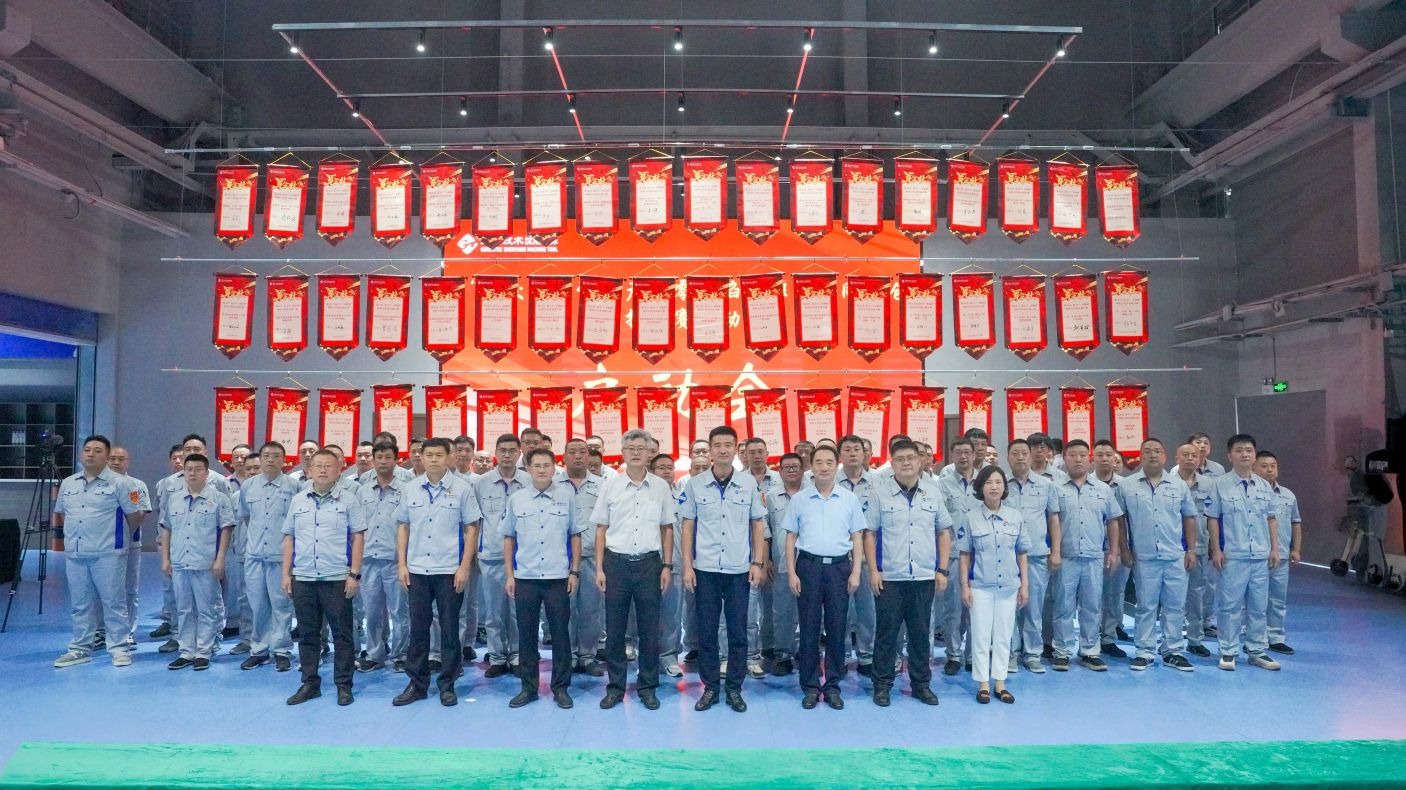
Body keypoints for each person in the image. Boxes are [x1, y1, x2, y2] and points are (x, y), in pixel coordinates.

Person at [679, 426, 767, 713]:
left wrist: (757, 562)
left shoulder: (748, 483)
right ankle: (710, 688)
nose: (723, 450)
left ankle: (734, 689)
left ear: (735, 448)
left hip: (739, 569)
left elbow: (757, 524)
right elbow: (687, 526)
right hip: (705, 569)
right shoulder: (695, 484)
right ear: (711, 449)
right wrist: (688, 566)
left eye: (728, 444)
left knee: (738, 632)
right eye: (717, 445)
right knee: (706, 632)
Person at [393, 438, 483, 707]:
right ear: (421, 457)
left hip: (449, 571)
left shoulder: (462, 489)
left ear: (449, 457)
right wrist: (402, 565)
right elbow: (403, 527)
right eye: (428, 455)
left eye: (438, 455)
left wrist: (464, 567)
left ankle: (447, 684)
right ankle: (417, 684)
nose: (433, 459)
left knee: (450, 630)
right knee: (418, 629)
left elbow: (471, 528)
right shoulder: (410, 489)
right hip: (417, 570)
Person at [592, 429, 676, 711]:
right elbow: (601, 529)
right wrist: (599, 568)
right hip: (615, 564)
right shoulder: (610, 485)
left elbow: (667, 528)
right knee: (615, 630)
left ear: (649, 452)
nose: (637, 453)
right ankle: (615, 687)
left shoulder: (660, 487)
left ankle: (648, 687)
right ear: (623, 453)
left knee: (649, 630)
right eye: (631, 448)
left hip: (650, 565)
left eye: (642, 448)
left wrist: (667, 565)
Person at [865, 440, 951, 707]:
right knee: (886, 635)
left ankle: (921, 685)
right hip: (889, 577)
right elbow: (869, 534)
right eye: (900, 459)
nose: (906, 463)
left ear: (920, 461)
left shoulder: (933, 493)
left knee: (920, 634)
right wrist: (874, 570)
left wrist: (942, 569)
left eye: (911, 458)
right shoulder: (880, 494)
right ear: (892, 464)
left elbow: (943, 531)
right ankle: (882, 685)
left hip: (923, 577)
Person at [51, 436, 148, 669]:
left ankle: (119, 648)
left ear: (106, 456)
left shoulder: (121, 484)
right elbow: (62, 513)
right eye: (87, 450)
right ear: (81, 454)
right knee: (80, 604)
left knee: (114, 602)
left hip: (109, 553)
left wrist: (116, 538)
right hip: (76, 554)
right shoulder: (69, 483)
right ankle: (80, 648)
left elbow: (135, 517)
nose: (91, 454)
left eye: (97, 450)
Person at [782, 444, 866, 710]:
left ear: (836, 464)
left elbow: (857, 537)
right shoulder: (800, 499)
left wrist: (856, 571)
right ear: (811, 466)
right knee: (808, 629)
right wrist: (792, 572)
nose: (824, 467)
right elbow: (791, 537)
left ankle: (832, 686)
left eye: (829, 462)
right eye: (819, 462)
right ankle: (809, 686)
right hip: (808, 567)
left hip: (839, 568)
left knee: (837, 628)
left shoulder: (849, 499)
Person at [503, 448, 587, 709]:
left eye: (546, 465)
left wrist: (574, 571)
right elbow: (509, 538)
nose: (541, 470)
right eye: (536, 465)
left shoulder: (566, 497)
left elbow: (575, 535)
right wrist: (509, 575)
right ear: (528, 469)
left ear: (554, 468)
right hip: (525, 577)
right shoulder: (517, 499)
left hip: (557, 577)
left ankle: (560, 688)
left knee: (561, 635)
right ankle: (528, 688)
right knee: (527, 635)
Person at [281, 449, 366, 706]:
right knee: (308, 634)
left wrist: (354, 574)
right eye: (317, 465)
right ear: (309, 470)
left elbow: (358, 537)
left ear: (339, 469)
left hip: (337, 577)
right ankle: (310, 683)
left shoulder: (349, 500)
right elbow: (289, 537)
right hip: (303, 576)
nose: (322, 470)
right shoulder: (298, 500)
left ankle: (344, 685)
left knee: (342, 635)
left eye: (328, 465)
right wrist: (286, 573)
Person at [1119, 438, 1198, 672]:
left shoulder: (1178, 485)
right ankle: (1144, 652)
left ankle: (1173, 651)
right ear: (1140, 456)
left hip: (1175, 556)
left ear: (1164, 456)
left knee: (1175, 606)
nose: (1152, 455)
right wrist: (1124, 549)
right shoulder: (1127, 486)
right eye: (1147, 451)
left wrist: (1191, 550)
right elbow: (1119, 520)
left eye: (1157, 451)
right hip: (1144, 558)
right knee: (1146, 606)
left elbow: (1189, 517)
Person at [1206, 434, 1281, 672]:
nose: (1244, 454)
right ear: (1230, 455)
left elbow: (1271, 519)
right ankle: (1228, 650)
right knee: (1230, 606)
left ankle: (1256, 649)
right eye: (1238, 450)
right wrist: (1216, 549)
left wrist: (1274, 548)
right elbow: (1212, 519)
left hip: (1260, 555)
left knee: (1258, 606)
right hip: (1233, 556)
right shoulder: (1219, 484)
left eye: (1249, 450)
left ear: (1254, 455)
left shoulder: (1264, 486)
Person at [958, 465, 1029, 704]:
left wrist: (1024, 585)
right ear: (981, 487)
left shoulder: (1015, 517)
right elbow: (965, 554)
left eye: (998, 482)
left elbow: (1021, 553)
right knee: (980, 636)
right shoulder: (971, 517)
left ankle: (1000, 682)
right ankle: (983, 684)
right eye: (988, 482)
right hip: (980, 586)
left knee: (1003, 636)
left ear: (1004, 487)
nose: (994, 487)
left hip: (1009, 586)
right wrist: (965, 586)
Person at [1051, 440, 1124, 672]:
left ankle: (1090, 651)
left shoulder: (1103, 489)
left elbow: (1113, 521)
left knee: (1092, 606)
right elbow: (1051, 521)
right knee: (1063, 605)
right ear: (1065, 458)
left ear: (1089, 458)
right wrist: (1054, 552)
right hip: (1066, 556)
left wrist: (1113, 551)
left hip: (1094, 556)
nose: (1078, 459)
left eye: (1083, 455)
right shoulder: (1055, 488)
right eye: (1073, 455)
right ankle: (1062, 651)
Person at [160, 452, 235, 671]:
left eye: (198, 469)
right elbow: (167, 529)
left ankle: (204, 651)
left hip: (205, 563)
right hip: (180, 561)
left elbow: (226, 530)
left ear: (206, 472)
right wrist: (165, 558)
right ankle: (186, 651)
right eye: (189, 469)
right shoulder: (174, 499)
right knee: (183, 608)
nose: (192, 473)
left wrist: (220, 559)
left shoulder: (218, 499)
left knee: (207, 608)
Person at [236, 441, 300, 672]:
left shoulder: (294, 487)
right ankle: (259, 650)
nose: (270, 460)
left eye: (275, 456)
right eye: (266, 456)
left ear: (284, 460)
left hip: (280, 558)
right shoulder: (248, 486)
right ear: (260, 459)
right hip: (254, 556)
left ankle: (281, 650)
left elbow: (297, 523)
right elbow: (246, 517)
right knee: (258, 605)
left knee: (281, 606)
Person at [473, 434, 531, 678]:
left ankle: (517, 655)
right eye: (502, 450)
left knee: (518, 611)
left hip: (523, 557)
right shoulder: (481, 483)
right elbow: (474, 521)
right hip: (491, 555)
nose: (507, 455)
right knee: (494, 611)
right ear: (496, 453)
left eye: (511, 450)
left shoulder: (529, 481)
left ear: (519, 453)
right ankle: (496, 656)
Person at [1005, 439, 1061, 673]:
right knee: (1008, 609)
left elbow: (1053, 519)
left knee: (1034, 608)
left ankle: (1032, 654)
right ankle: (1009, 654)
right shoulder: (1000, 484)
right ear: (1008, 457)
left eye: (1024, 453)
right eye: (1015, 453)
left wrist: (1055, 551)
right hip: (1006, 556)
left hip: (1036, 554)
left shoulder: (1046, 485)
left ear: (1030, 456)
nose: (1020, 457)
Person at [355, 440, 409, 673]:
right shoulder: (363, 490)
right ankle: (375, 653)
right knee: (372, 612)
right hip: (368, 560)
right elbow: (356, 527)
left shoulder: (407, 490)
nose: (383, 462)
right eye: (379, 457)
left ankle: (401, 654)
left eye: (388, 457)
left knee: (400, 612)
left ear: (396, 460)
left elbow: (410, 525)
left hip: (395, 560)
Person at [560, 438, 606, 676]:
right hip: (561, 559)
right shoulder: (553, 484)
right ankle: (566, 657)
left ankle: (587, 656)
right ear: (564, 457)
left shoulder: (603, 486)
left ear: (589, 456)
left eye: (582, 452)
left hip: (592, 558)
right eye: (572, 452)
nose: (577, 456)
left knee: (591, 610)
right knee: (563, 611)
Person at [936, 437, 980, 676]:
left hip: (980, 555)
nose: (963, 456)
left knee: (977, 608)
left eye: (967, 452)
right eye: (958, 452)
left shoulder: (985, 480)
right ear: (952, 456)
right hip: (953, 554)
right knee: (953, 609)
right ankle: (953, 654)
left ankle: (973, 655)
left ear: (974, 455)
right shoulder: (942, 485)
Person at [836, 434, 879, 677]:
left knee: (867, 610)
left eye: (857, 449)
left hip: (867, 560)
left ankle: (866, 656)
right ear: (840, 455)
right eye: (847, 449)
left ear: (865, 454)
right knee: (839, 610)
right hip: (840, 558)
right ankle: (840, 655)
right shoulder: (829, 481)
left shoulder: (878, 482)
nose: (852, 453)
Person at [1254, 450, 1300, 656]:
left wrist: (1295, 549)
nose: (1269, 470)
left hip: (1281, 556)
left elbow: (1296, 523)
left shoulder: (1288, 495)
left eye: (1273, 466)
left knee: (1278, 599)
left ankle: (1276, 637)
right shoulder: (1250, 492)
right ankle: (1254, 636)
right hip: (1256, 556)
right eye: (1264, 466)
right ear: (1254, 468)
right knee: (1255, 600)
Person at [106, 445, 150, 650]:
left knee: (129, 589)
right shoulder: (98, 485)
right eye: (112, 458)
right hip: (101, 546)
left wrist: (123, 530)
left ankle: (128, 631)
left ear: (128, 462)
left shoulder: (136, 485)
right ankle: (103, 630)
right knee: (103, 590)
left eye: (120, 459)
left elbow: (140, 514)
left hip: (130, 544)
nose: (116, 462)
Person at [1175, 443, 1217, 658]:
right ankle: (1171, 641)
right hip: (1172, 549)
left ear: (1200, 460)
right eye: (1185, 455)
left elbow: (1214, 517)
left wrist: (1214, 546)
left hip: (1199, 547)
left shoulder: (1209, 484)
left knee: (1196, 595)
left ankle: (1195, 639)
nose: (1190, 458)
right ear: (1176, 458)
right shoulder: (1167, 482)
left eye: (1194, 455)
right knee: (1172, 598)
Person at [765, 452, 804, 676]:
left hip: (809, 562)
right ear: (779, 471)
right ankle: (783, 654)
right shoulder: (771, 496)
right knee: (782, 612)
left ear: (802, 469)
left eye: (795, 466)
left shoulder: (813, 493)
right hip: (781, 563)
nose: (791, 470)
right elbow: (766, 530)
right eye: (786, 467)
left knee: (811, 612)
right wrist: (767, 559)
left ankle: (807, 652)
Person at [1092, 440, 1131, 661]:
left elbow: (1125, 519)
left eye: (1109, 455)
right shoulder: (1086, 482)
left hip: (1119, 548)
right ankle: (1090, 638)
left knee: (1115, 594)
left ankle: (1108, 637)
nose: (1105, 459)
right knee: (1091, 596)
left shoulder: (1126, 485)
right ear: (1093, 458)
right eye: (1100, 455)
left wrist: (1124, 550)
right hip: (1092, 549)